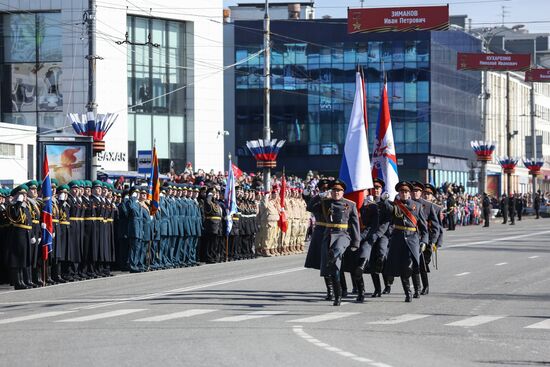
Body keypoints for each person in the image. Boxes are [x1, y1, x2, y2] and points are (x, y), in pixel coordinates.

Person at [315, 179, 360, 306]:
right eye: (334, 190)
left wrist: (356, 241)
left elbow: (355, 224)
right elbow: (310, 207)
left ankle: (334, 254)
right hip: (329, 235)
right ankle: (337, 296)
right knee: (333, 270)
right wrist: (319, 195)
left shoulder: (350, 204)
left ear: (343, 192)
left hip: (343, 234)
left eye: (339, 190)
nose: (336, 192)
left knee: (337, 250)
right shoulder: (325, 203)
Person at [382, 181, 429, 303]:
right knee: (403, 268)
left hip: (413, 239)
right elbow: (387, 210)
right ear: (399, 193)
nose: (404, 193)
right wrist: (384, 200)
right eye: (402, 191)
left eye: (407, 191)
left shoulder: (417, 206)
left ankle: (417, 288)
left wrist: (424, 241)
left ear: (410, 193)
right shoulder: (394, 205)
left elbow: (424, 227)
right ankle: (408, 292)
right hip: (398, 239)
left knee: (412, 265)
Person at [304, 179, 333, 300]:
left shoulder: (335, 200)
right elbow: (310, 206)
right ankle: (330, 289)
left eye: (327, 189)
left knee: (337, 260)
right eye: (323, 189)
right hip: (321, 231)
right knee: (324, 261)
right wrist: (318, 197)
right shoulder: (318, 200)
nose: (325, 191)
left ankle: (344, 287)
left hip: (335, 232)